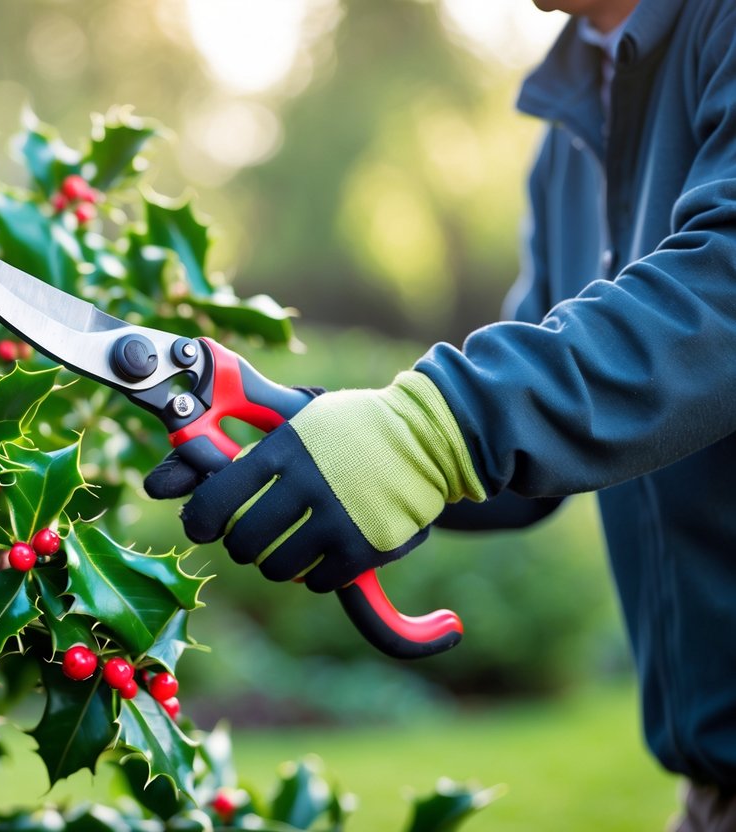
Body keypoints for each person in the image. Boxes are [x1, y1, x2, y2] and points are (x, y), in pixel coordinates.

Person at [145, 0, 736, 829]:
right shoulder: (572, 123)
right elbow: (531, 459)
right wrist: (320, 430)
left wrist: (428, 432)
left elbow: (721, 296)